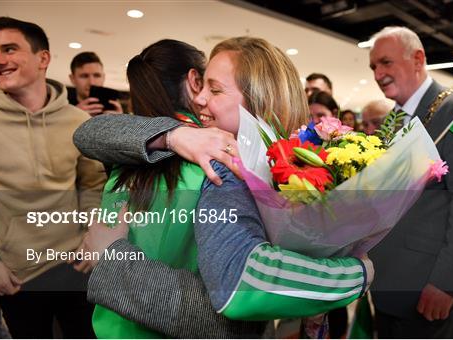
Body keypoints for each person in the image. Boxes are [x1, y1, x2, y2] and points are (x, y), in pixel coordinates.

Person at [75, 37, 374, 338]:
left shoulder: (239, 167)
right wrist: (176, 136)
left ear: (260, 99)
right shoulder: (206, 157)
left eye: (214, 89)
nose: (200, 98)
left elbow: (230, 303)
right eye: (202, 86)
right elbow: (89, 133)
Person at [367, 26, 453, 338]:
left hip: (429, 291)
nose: (378, 73)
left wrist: (447, 282)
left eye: (385, 62)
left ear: (418, 58)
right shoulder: (393, 121)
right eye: (373, 67)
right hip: (387, 285)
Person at [0, 17, 106, 338]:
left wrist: (91, 234)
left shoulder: (78, 120)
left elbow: (92, 184)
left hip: (77, 264)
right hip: (17, 276)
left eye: (9, 49)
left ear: (43, 59)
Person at [68, 51, 123, 116]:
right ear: (72, 79)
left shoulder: (114, 107)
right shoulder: (62, 110)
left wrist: (121, 121)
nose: (92, 82)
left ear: (103, 77)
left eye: (97, 75)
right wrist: (72, 117)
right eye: (84, 76)